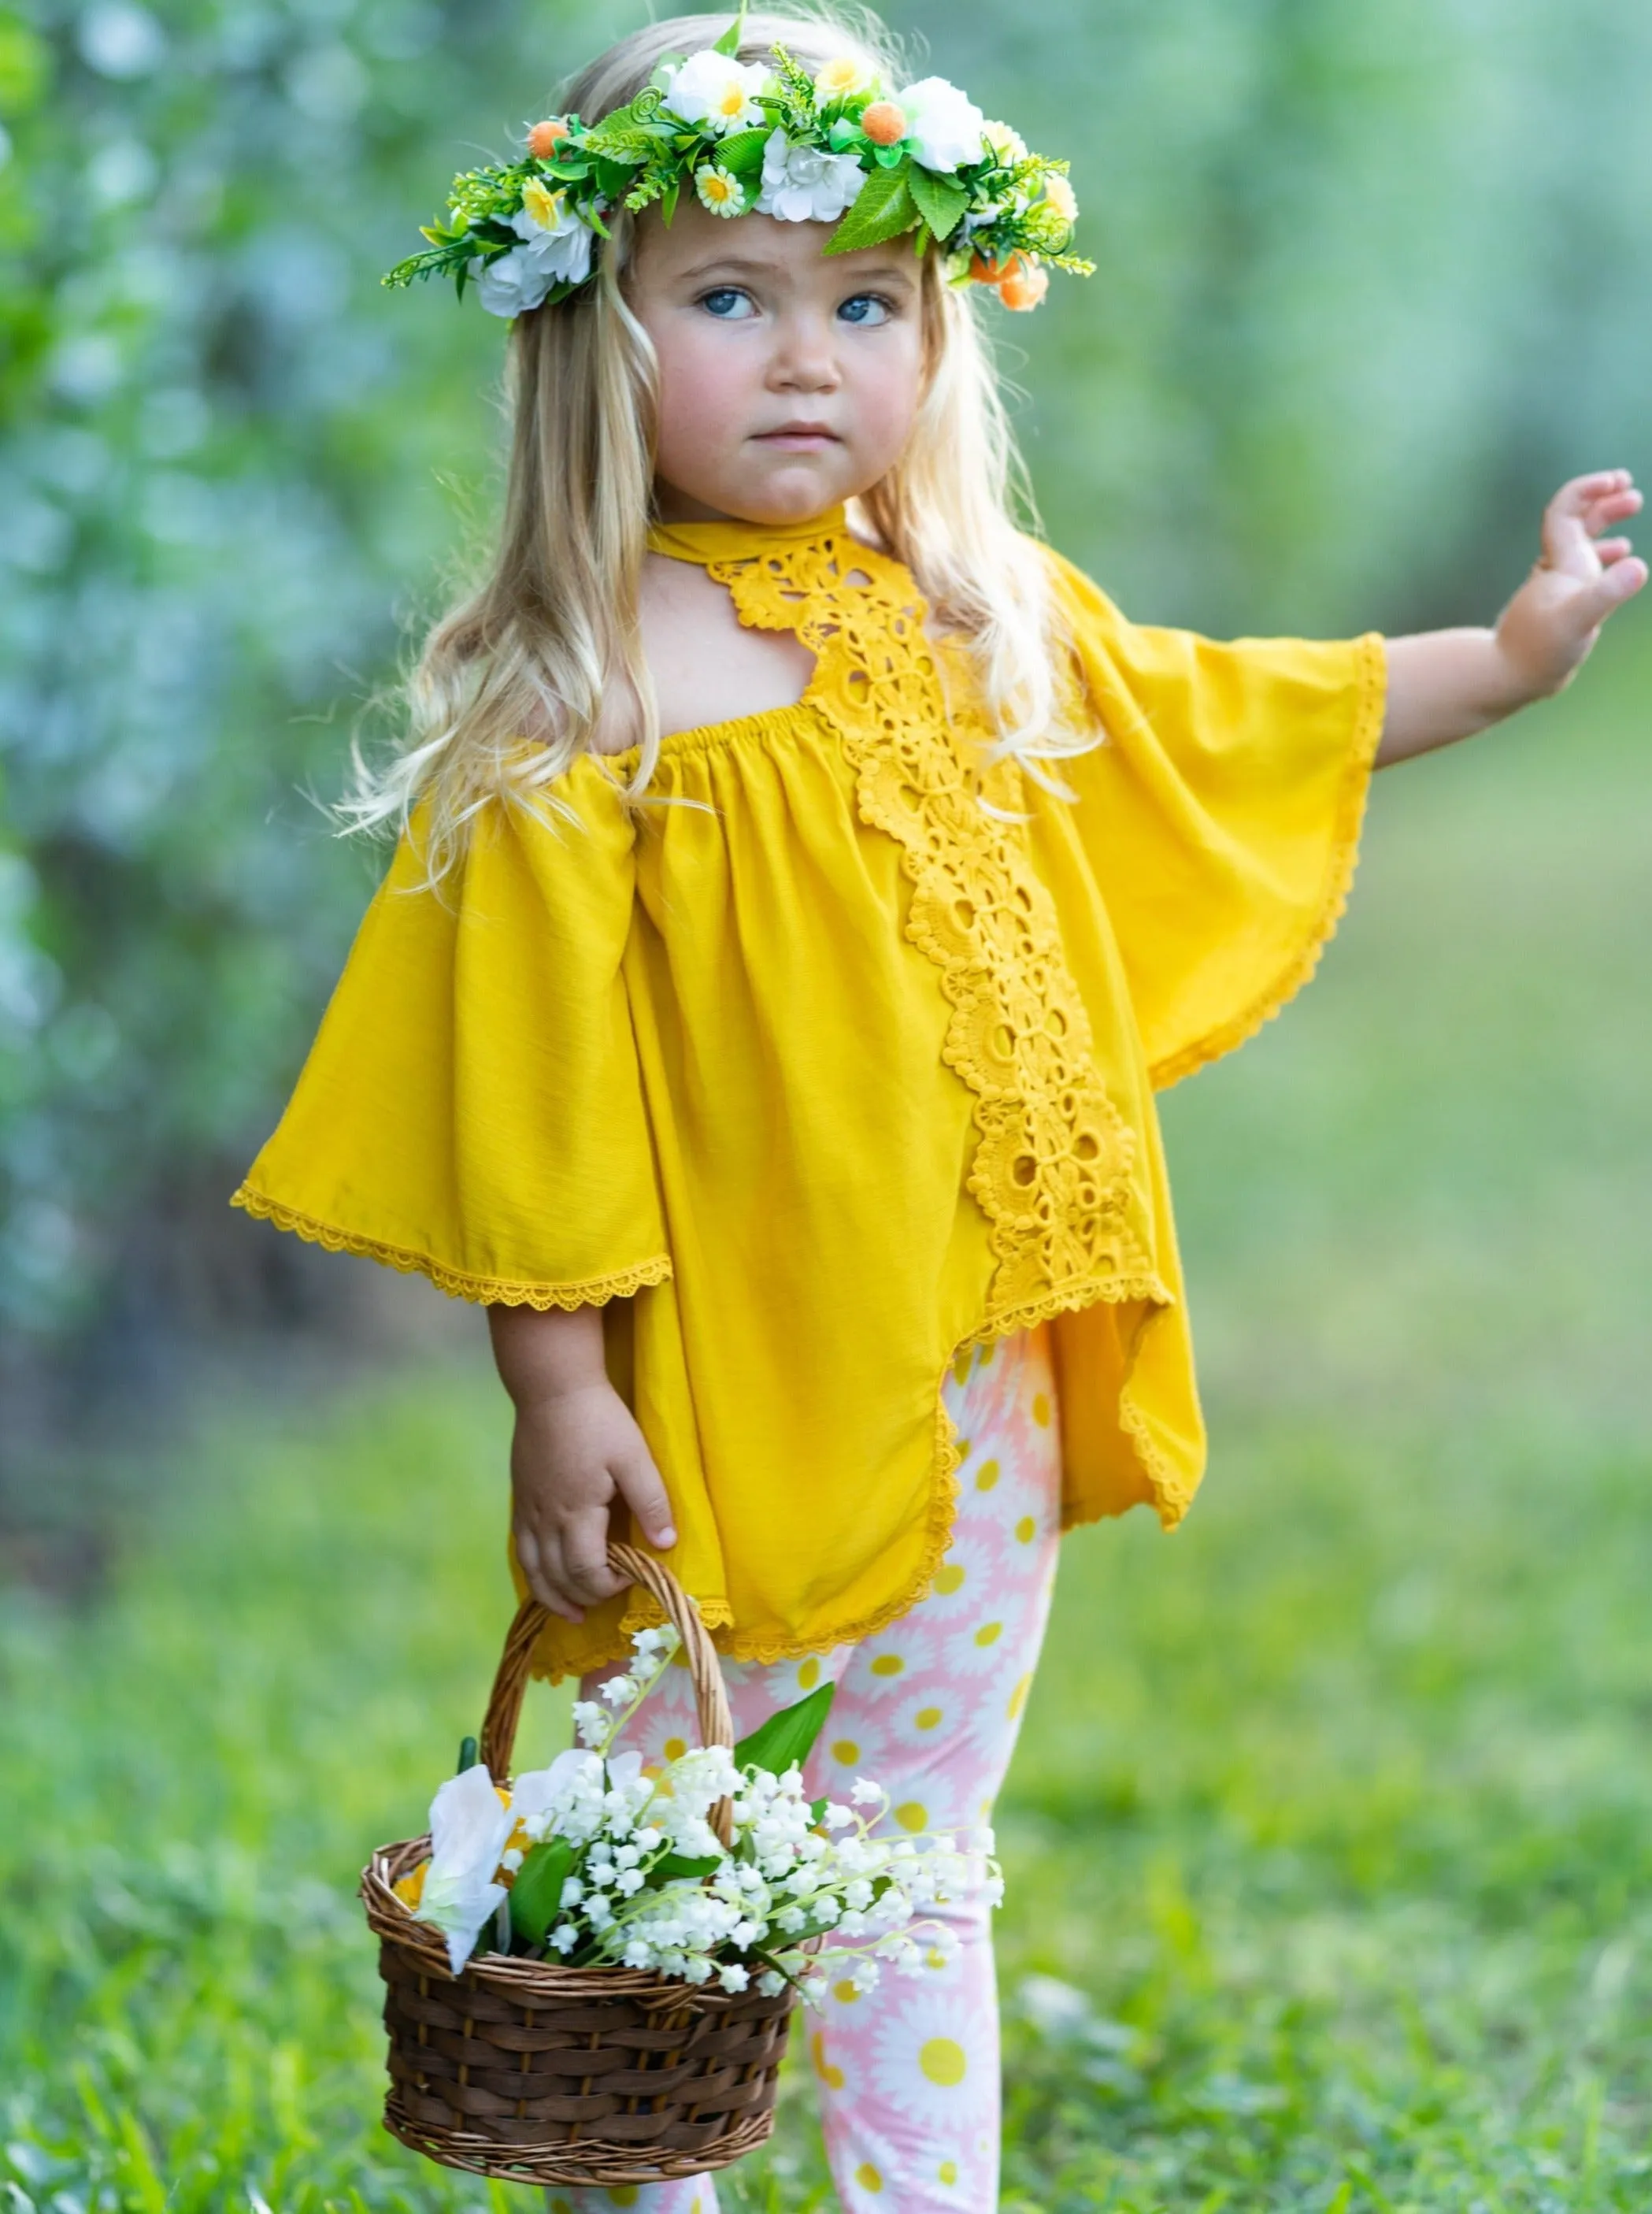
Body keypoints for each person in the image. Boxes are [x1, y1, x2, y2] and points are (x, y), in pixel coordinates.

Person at [232, 10, 1645, 2209]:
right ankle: (654, 2181)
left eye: (866, 305)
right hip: (717, 1387)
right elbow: (534, 1090)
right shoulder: (586, 698)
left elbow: (1230, 721)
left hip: (971, 1364)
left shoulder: (972, 614)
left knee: (918, 1845)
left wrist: (1516, 650)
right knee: (669, 1855)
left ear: (936, 334)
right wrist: (554, 1387)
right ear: (595, 338)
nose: (810, 359)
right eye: (731, 298)